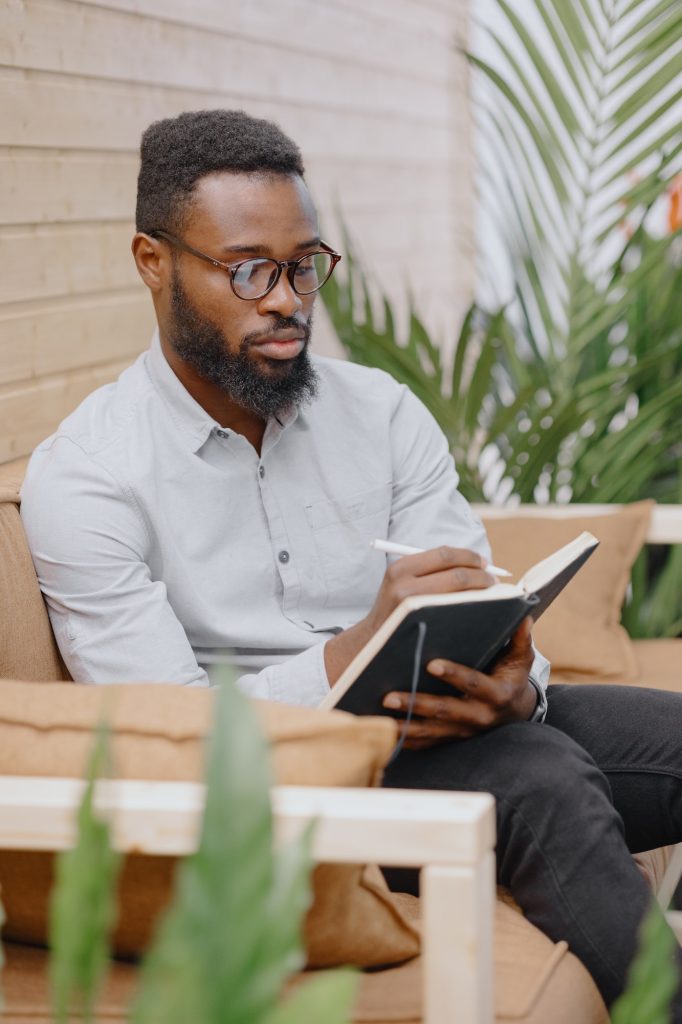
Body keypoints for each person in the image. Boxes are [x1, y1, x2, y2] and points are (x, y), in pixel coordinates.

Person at [20, 109, 682, 1015]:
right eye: (249, 269)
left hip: (465, 722)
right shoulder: (88, 476)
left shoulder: (383, 413)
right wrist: (351, 653)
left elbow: (480, 593)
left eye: (304, 265)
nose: (287, 299)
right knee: (542, 780)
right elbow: (169, 735)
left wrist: (514, 687)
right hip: (292, 780)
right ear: (153, 262)